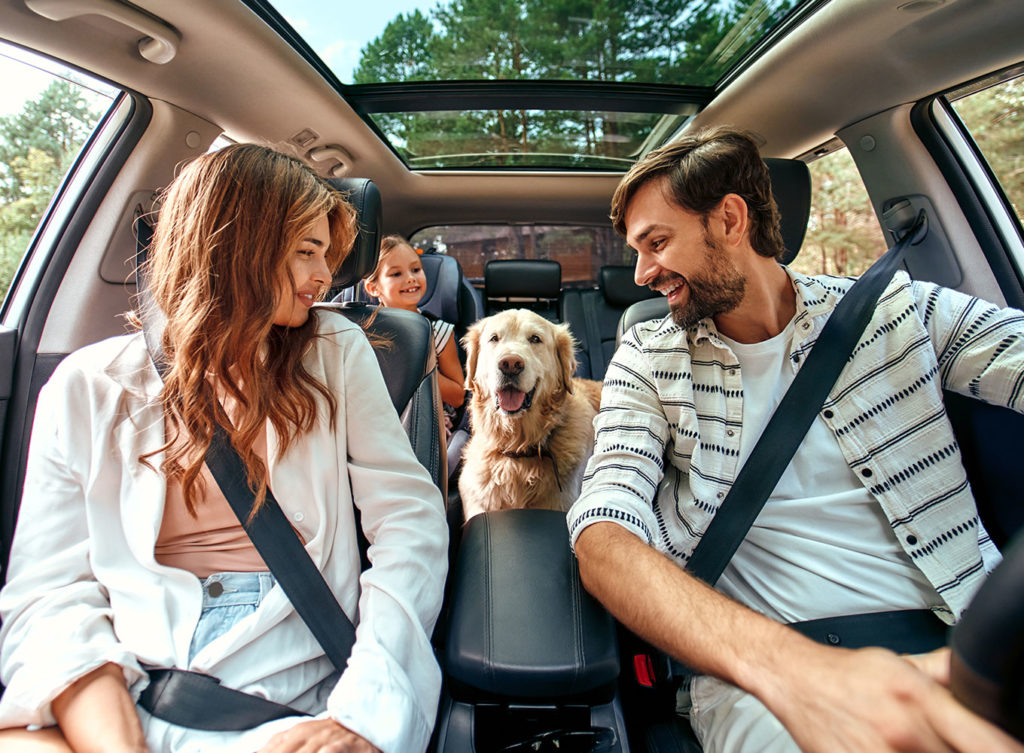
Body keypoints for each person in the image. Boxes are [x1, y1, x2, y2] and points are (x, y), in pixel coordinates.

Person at [569, 126, 1024, 753]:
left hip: (969, 642)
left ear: (729, 219)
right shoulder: (647, 356)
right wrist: (798, 675)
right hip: (765, 671)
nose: (642, 272)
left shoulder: (897, 310)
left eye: (657, 242)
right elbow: (603, 533)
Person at [0, 144, 448, 753]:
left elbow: (409, 524)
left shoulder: (336, 352)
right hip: (128, 674)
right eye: (306, 253)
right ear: (235, 247)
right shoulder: (85, 385)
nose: (326, 278)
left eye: (328, 255)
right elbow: (49, 591)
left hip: (290, 686)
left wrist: (366, 710)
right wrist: (113, 736)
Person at [363, 235, 466, 431]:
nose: (410, 278)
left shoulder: (439, 332)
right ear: (373, 287)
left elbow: (458, 396)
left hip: (426, 422)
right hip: (375, 419)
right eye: (396, 274)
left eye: (416, 270)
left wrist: (414, 367)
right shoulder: (363, 332)